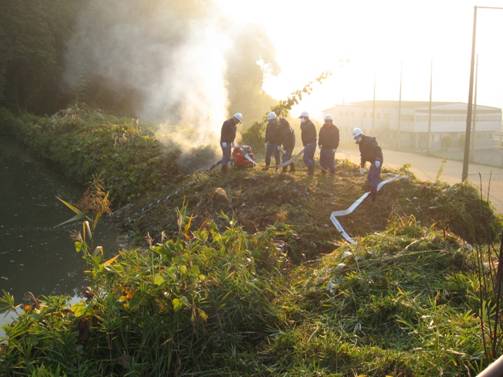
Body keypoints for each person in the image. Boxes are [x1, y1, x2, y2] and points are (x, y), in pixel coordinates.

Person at [353, 127, 383, 198]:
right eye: (355, 138)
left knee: (372, 176)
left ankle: (374, 194)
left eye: (357, 137)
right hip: (373, 161)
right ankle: (379, 188)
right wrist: (362, 167)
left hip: (377, 160)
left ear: (360, 135)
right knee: (371, 176)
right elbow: (363, 156)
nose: (356, 139)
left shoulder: (369, 140)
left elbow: (377, 149)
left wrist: (378, 159)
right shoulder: (361, 144)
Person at [299, 111, 317, 175]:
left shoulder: (309, 124)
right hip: (310, 144)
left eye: (302, 118)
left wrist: (301, 124)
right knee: (310, 158)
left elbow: (304, 129)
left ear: (305, 118)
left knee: (305, 158)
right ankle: (311, 171)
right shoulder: (307, 124)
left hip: (310, 144)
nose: (301, 119)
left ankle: (311, 168)